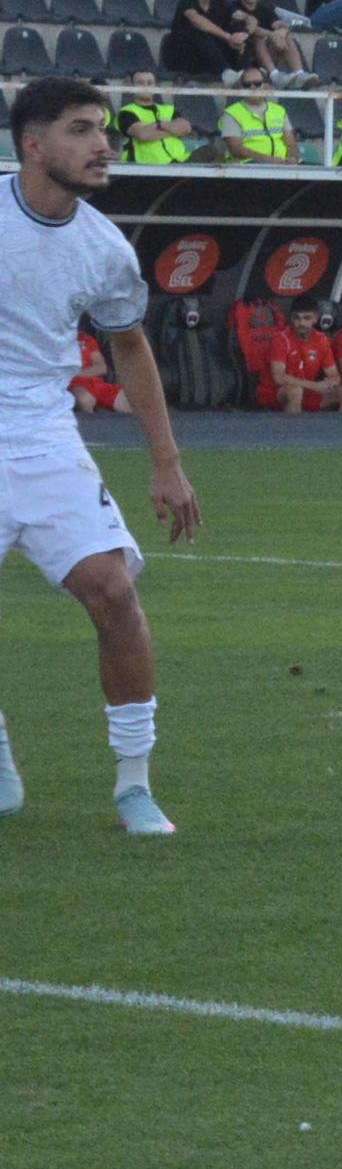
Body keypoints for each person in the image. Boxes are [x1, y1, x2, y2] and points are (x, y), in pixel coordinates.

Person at [0, 79, 198, 836]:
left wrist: (166, 463)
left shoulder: (106, 247)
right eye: (81, 130)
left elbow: (130, 346)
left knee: (113, 593)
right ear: (33, 145)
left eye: (103, 130)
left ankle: (134, 786)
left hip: (45, 437)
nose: (103, 144)